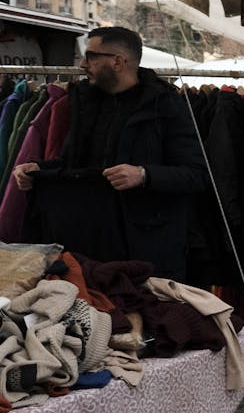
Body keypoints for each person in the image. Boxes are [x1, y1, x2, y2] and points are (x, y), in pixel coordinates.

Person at [11, 26, 205, 281]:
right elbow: (72, 164)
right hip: (87, 248)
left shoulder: (166, 106)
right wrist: (38, 168)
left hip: (146, 253)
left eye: (91, 56)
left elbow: (197, 175)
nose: (82, 64)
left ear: (117, 61)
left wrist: (144, 175)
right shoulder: (84, 103)